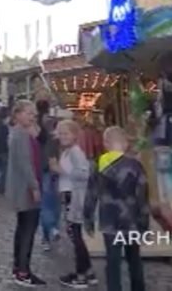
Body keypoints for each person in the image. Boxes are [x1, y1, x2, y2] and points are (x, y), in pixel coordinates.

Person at [84, 126, 149, 291]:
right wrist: (144, 223)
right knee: (134, 259)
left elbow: (91, 194)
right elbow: (142, 196)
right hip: (131, 221)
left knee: (112, 261)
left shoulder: (98, 164)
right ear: (126, 144)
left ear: (106, 143)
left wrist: (88, 219)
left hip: (109, 222)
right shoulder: (135, 166)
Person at [52, 120, 97, 288]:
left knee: (76, 237)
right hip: (70, 195)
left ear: (75, 135)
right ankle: (88, 272)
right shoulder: (68, 151)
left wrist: (61, 171)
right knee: (76, 236)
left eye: (66, 133)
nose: (63, 136)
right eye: (60, 133)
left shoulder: (75, 152)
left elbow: (83, 174)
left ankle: (80, 275)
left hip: (75, 198)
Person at [6, 99, 46, 286]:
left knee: (23, 228)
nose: (33, 116)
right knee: (28, 229)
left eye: (33, 114)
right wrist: (35, 186)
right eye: (29, 113)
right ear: (18, 114)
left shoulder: (20, 133)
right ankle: (23, 270)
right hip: (26, 188)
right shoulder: (20, 134)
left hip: (24, 187)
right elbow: (25, 163)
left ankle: (19, 267)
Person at [36, 99, 60, 251]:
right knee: (53, 201)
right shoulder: (53, 122)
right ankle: (52, 229)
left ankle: (47, 234)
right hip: (54, 164)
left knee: (46, 202)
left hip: (42, 165)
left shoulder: (36, 123)